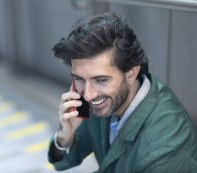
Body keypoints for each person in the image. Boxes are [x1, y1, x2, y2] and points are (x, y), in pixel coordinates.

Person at [47, 13, 197, 172]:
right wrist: (65, 136)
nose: (88, 95)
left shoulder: (164, 151)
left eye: (101, 80)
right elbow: (64, 162)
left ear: (131, 73)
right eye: (79, 79)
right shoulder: (103, 101)